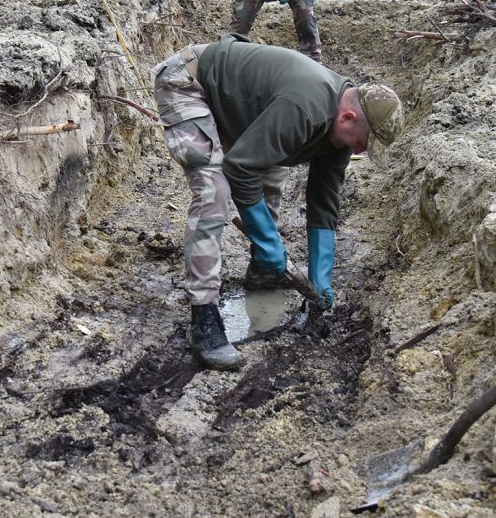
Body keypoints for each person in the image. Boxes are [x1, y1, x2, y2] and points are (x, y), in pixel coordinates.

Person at [151, 34, 404, 370]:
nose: (360, 151)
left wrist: (320, 275)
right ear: (347, 118)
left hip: (241, 106)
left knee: (271, 174)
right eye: (364, 143)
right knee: (214, 193)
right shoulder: (305, 107)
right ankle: (205, 317)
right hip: (189, 83)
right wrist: (269, 241)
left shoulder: (339, 132)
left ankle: (263, 271)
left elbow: (324, 199)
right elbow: (239, 168)